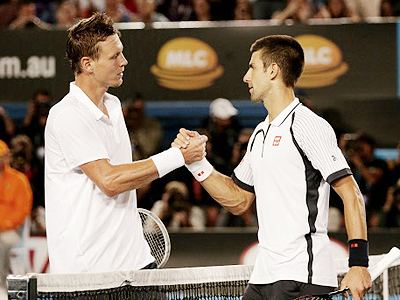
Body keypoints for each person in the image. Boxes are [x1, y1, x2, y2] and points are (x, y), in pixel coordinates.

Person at [173, 35, 371, 300]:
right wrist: (197, 162)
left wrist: (358, 263)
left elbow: (351, 193)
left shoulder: (308, 125)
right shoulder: (259, 133)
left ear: (273, 71)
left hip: (303, 277)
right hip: (264, 276)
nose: (246, 77)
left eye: (252, 67)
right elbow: (238, 199)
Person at [44, 12, 207, 274]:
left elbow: (126, 176)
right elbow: (109, 181)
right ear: (87, 64)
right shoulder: (67, 115)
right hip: (90, 274)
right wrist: (178, 156)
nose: (124, 61)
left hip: (136, 261)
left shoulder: (114, 104)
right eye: (114, 56)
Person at [0, 140, 33, 297]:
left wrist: (4, 224)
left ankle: (1, 287)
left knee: (2, 243)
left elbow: (23, 210)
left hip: (12, 231)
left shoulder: (18, 180)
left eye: (3, 157)